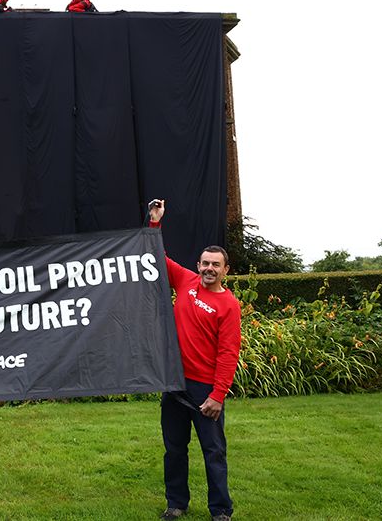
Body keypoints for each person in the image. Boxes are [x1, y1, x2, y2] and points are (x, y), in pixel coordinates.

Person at [148, 199, 241, 521]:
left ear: (225, 270)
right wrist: (155, 222)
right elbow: (155, 257)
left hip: (205, 389)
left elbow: (229, 352)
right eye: (204, 263)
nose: (208, 269)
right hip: (174, 383)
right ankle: (176, 504)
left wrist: (218, 395)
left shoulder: (229, 305)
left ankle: (221, 510)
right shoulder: (186, 281)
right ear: (198, 264)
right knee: (174, 449)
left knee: (213, 451)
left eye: (215, 265)